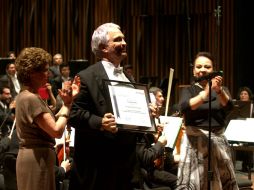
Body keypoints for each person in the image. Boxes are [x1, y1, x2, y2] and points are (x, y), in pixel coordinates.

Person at [68, 23, 158, 190]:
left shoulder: (128, 78)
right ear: (103, 47)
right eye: (117, 40)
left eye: (124, 38)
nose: (124, 42)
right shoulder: (86, 76)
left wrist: (148, 113)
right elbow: (73, 114)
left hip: (127, 164)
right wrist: (100, 122)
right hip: (98, 164)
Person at [14, 47, 80, 190]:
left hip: (34, 157)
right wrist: (67, 106)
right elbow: (56, 130)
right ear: (31, 73)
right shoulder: (31, 98)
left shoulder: (24, 95)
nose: (48, 74)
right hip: (37, 159)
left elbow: (46, 123)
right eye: (44, 70)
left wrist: (67, 103)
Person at [176, 52, 238, 190]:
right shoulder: (189, 90)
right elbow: (184, 106)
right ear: (193, 71)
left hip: (217, 142)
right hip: (194, 144)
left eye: (207, 66)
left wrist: (219, 90)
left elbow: (229, 107)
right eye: (198, 66)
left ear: (213, 70)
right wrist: (205, 93)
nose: (202, 69)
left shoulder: (221, 90)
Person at [235, 86, 254, 172]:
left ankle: (247, 164)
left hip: (249, 127)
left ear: (249, 96)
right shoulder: (235, 105)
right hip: (238, 127)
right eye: (241, 94)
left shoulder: (252, 105)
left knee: (248, 142)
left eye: (245, 94)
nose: (243, 95)